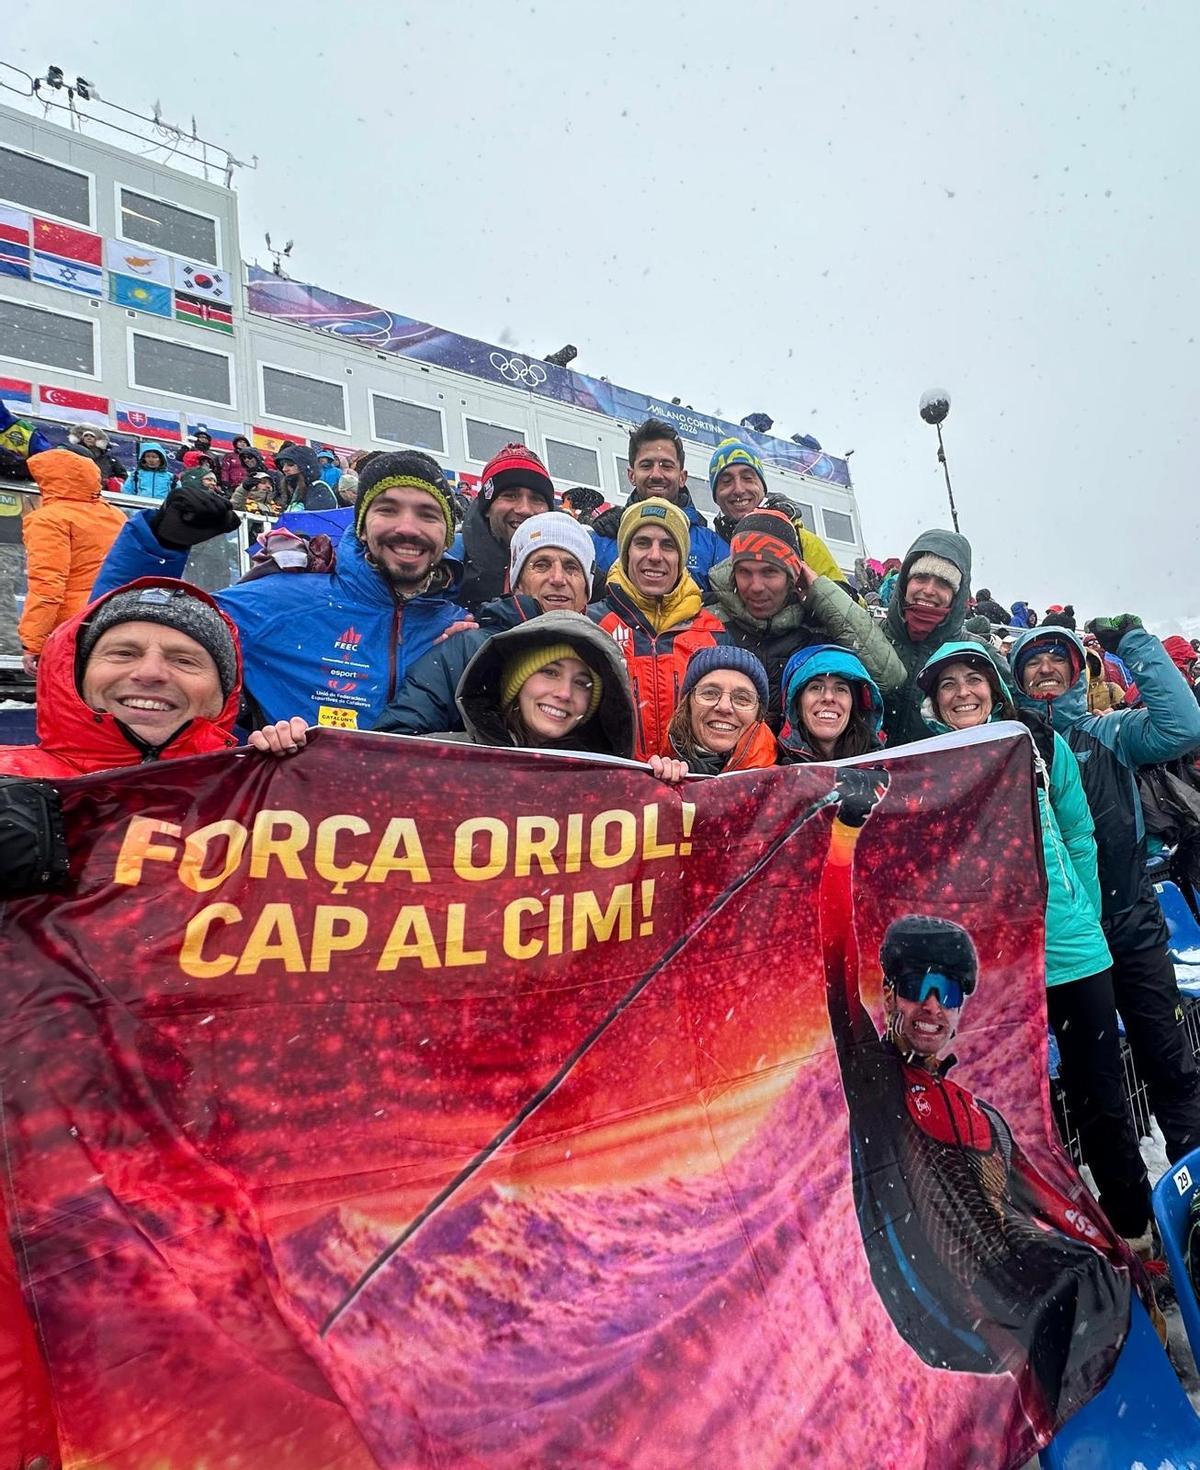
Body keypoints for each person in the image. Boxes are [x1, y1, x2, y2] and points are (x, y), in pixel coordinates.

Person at [0, 577, 311, 1470]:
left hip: (191, 1151)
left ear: (222, 688)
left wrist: (302, 781)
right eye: (125, 654)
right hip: (28, 1158)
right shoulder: (15, 779)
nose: (153, 675)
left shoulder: (249, 791)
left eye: (184, 660)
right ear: (77, 671)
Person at [819, 769, 1130, 1429]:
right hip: (946, 1305)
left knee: (1093, 1278)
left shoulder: (981, 1114)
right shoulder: (876, 1081)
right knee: (1061, 1302)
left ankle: (1091, 1422)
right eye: (914, 987)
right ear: (891, 992)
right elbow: (836, 962)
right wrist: (845, 837)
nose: (930, 1006)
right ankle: (1042, 1421)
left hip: (1017, 1273)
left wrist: (1116, 1249)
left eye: (947, 991)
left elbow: (1043, 1195)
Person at [917, 640, 1154, 1251]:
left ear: (996, 689)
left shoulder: (1042, 747)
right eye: (948, 685)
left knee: (1100, 1096)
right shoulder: (928, 765)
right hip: (992, 959)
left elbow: (1079, 831)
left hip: (1072, 949)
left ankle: (1134, 1230)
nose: (963, 692)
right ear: (935, 703)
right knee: (1003, 1101)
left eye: (975, 679)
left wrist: (1081, 913)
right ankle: (1023, 1233)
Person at [92, 449, 469, 728]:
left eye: (427, 514)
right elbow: (112, 636)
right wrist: (157, 546)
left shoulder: (460, 629)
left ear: (447, 533)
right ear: (362, 524)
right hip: (293, 825)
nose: (407, 527)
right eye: (387, 509)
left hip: (413, 827)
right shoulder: (280, 601)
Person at [1011, 619, 1200, 1165]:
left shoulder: (1111, 732)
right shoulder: (1009, 746)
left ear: (1077, 673)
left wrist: (1134, 641)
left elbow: (1185, 728)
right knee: (1096, 1084)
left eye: (1057, 660)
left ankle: (1192, 1178)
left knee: (1169, 1061)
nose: (1046, 670)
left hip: (1130, 923)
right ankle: (1126, 1206)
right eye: (1033, 662)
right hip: (1069, 941)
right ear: (1017, 679)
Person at [377, 511, 596, 736]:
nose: (558, 578)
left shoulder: (603, 660)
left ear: (587, 589)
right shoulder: (465, 649)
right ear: (517, 583)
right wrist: (484, 757)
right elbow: (395, 742)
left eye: (572, 567)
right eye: (541, 565)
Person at [707, 508, 903, 723]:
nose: (756, 586)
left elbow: (889, 678)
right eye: (744, 572)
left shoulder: (820, 621)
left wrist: (822, 593)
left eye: (769, 572)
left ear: (794, 576)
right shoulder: (711, 620)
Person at [592, 498, 725, 761]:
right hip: (615, 793)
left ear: (682, 558)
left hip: (691, 791)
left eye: (668, 545)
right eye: (642, 543)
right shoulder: (592, 624)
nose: (655, 556)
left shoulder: (715, 632)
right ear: (626, 552)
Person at [431, 611, 634, 759]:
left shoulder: (605, 779)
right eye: (550, 673)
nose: (564, 693)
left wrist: (661, 784)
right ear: (516, 683)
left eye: (582, 683)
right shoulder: (442, 757)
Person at [18, 449, 126, 679]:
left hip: (72, 626)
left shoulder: (48, 519)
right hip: (113, 616)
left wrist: (33, 643)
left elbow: (47, 584)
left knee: (67, 701)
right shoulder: (115, 514)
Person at [590, 419, 725, 592]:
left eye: (666, 466)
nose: (656, 474)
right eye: (646, 465)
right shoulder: (600, 540)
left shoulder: (712, 546)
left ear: (682, 477)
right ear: (631, 475)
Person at [706, 437, 848, 588]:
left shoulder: (802, 542)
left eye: (748, 478)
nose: (739, 489)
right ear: (716, 495)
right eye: (726, 481)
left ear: (762, 487)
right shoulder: (709, 547)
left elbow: (848, 607)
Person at [880, 529, 977, 745]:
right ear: (905, 583)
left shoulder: (975, 653)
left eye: (943, 583)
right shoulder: (871, 636)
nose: (929, 590)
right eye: (921, 578)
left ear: (956, 595)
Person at [448, 443, 555, 612]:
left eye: (537, 498)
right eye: (511, 495)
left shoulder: (570, 559)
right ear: (487, 508)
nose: (525, 509)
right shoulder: (452, 557)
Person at [664, 645, 777, 775]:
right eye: (710, 693)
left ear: (759, 714)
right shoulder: (657, 774)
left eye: (742, 698)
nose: (724, 707)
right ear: (687, 704)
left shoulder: (780, 785)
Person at [777, 644, 884, 762]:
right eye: (816, 687)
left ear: (854, 704)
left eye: (840, 689)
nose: (828, 697)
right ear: (796, 703)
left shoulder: (885, 765)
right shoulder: (770, 769)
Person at [277, 445, 339, 511]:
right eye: (282, 465)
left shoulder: (319, 489)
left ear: (304, 466)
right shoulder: (294, 491)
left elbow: (314, 519)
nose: (284, 469)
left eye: (290, 464)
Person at [67, 424, 126, 491]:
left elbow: (123, 476)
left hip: (103, 493)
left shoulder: (110, 460)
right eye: (86, 436)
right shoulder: (73, 455)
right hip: (78, 491)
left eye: (92, 436)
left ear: (98, 440)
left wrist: (111, 482)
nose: (88, 438)